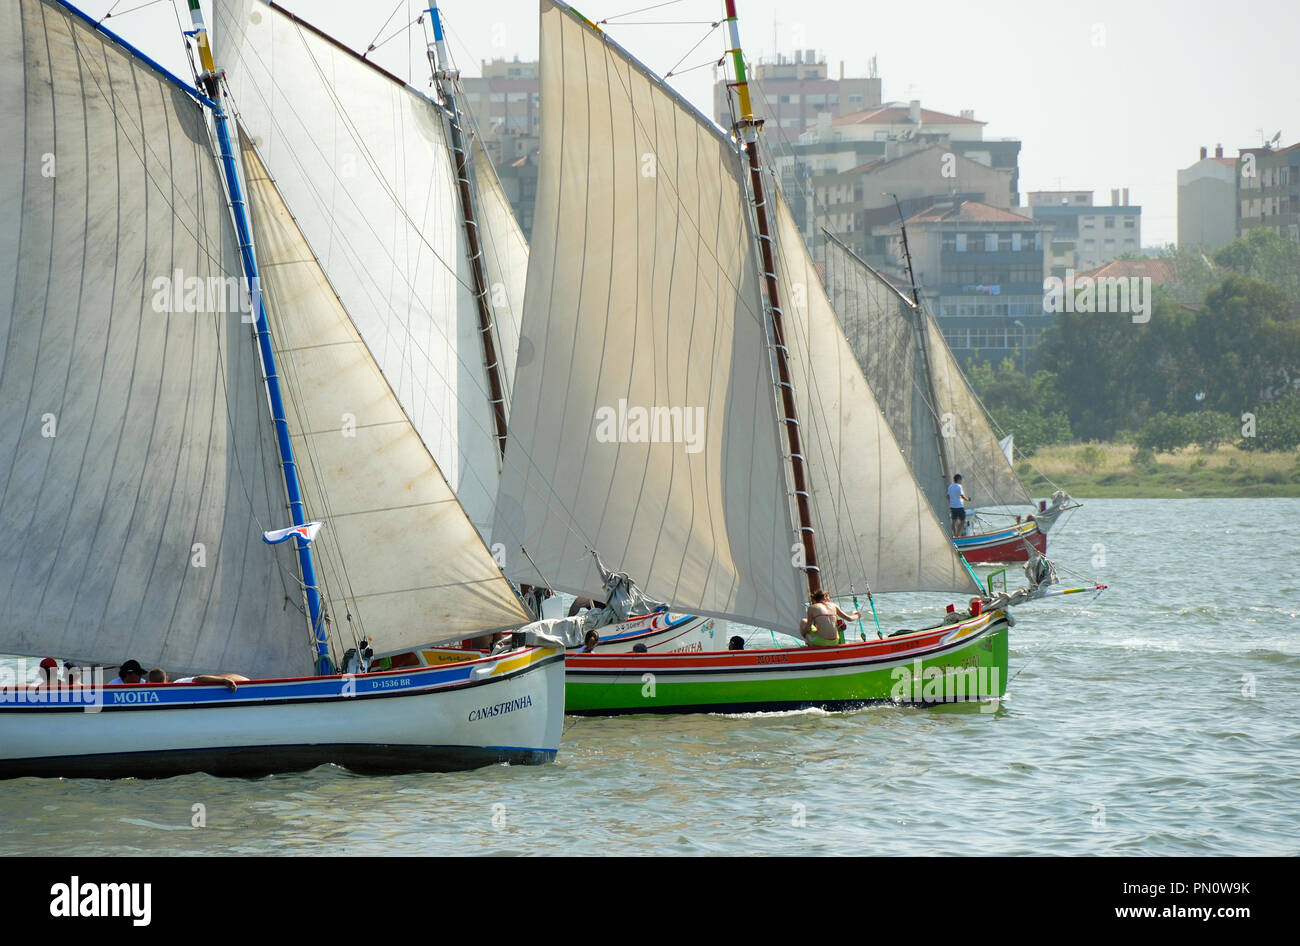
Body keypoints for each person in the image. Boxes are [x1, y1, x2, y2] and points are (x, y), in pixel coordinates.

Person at [147, 668, 247, 691]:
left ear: (149, 682)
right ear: (167, 679)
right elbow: (199, 678)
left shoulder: (146, 692)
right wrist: (224, 680)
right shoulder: (178, 683)